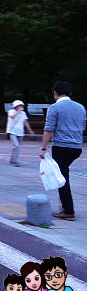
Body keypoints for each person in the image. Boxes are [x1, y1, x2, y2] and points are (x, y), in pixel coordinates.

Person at [39, 81, 86, 220]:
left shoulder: (54, 107)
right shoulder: (81, 107)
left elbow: (48, 129)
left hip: (61, 147)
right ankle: (65, 207)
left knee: (62, 179)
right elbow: (82, 125)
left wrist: (43, 148)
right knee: (63, 175)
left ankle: (68, 211)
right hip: (77, 148)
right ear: (70, 93)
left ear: (55, 93)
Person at [6, 100, 34, 167]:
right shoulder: (11, 111)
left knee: (17, 147)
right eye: (19, 106)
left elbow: (25, 122)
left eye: (21, 106)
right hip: (12, 131)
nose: (21, 107)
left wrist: (30, 130)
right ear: (16, 106)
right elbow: (12, 117)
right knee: (16, 145)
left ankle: (12, 160)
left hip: (20, 132)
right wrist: (18, 112)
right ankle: (15, 161)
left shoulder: (23, 113)